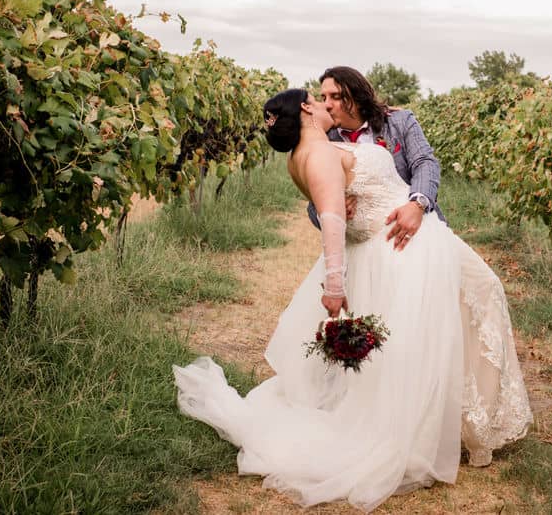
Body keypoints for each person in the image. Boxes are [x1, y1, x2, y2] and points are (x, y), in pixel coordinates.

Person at [173, 89, 531, 513]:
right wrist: (334, 285)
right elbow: (330, 218)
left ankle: (469, 421)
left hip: (408, 238)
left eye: (331, 96)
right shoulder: (319, 154)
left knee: (460, 311)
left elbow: (362, 190)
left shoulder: (316, 149)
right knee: (434, 330)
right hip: (402, 248)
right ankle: (446, 428)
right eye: (317, 97)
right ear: (307, 108)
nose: (326, 103)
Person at [309, 66, 443, 250]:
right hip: (364, 248)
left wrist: (417, 205)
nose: (327, 104)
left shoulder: (400, 121)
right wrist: (330, 211)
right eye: (323, 98)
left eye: (336, 96)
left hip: (411, 231)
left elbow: (424, 162)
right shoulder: (325, 140)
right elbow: (312, 202)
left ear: (358, 96)